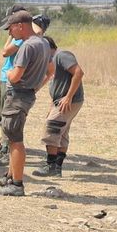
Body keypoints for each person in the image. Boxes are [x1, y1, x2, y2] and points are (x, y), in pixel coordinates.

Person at [0, 8, 55, 197]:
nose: (10, 33)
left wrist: (9, 74)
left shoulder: (27, 46)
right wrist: (35, 87)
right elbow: (50, 71)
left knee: (15, 140)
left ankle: (17, 184)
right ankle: (10, 176)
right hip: (26, 95)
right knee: (11, 138)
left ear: (20, 26)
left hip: (18, 95)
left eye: (11, 29)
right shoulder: (42, 43)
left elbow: (15, 75)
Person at [33, 48, 85, 178]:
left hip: (68, 101)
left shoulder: (62, 55)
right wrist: (51, 106)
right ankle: (57, 167)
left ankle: (51, 166)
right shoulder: (52, 61)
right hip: (62, 101)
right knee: (61, 133)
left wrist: (68, 97)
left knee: (51, 129)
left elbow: (78, 73)